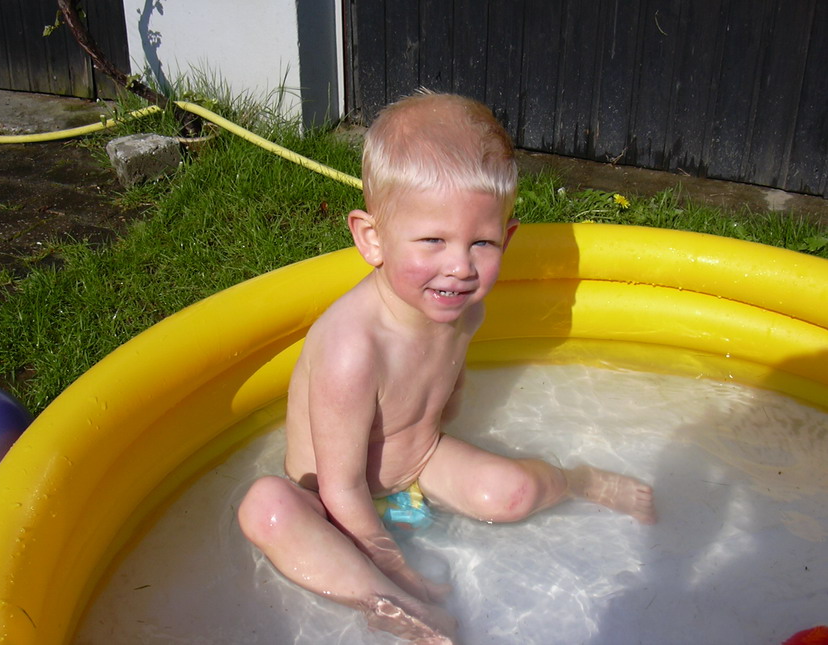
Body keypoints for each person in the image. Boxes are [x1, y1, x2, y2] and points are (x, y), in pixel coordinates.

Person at [238, 90, 656, 643]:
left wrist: (452, 456)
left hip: (417, 465)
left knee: (510, 493)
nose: (460, 267)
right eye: (433, 240)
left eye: (482, 242)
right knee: (266, 509)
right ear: (372, 239)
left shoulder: (463, 309)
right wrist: (395, 567)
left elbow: (448, 392)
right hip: (330, 503)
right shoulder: (353, 348)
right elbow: (340, 487)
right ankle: (385, 604)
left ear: (508, 238)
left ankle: (576, 481)